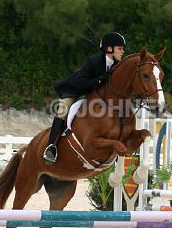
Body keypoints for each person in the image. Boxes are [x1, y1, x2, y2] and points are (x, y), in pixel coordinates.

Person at [43, 32, 126, 164]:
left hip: (93, 95)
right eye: (120, 48)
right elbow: (81, 82)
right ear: (109, 49)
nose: (122, 51)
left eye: (122, 49)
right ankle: (51, 147)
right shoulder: (94, 61)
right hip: (74, 90)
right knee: (62, 111)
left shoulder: (117, 65)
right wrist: (100, 79)